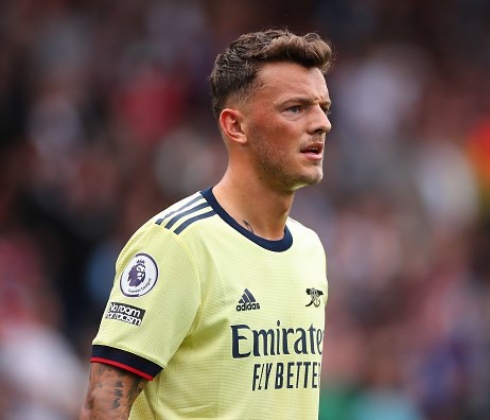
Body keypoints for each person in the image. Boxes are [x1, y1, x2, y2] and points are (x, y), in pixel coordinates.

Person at [80, 28, 333, 419]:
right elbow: (102, 404)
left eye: (323, 107)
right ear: (236, 126)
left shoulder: (309, 248)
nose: (321, 123)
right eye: (295, 108)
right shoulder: (178, 244)